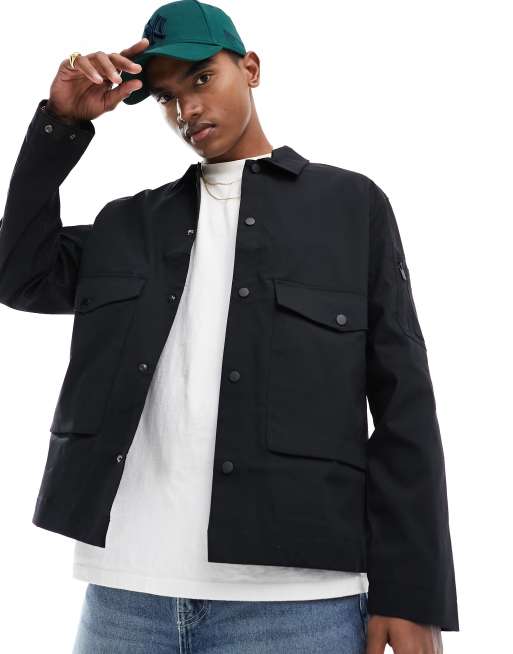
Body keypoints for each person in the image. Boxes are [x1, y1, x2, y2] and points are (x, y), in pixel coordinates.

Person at [0, 1, 458, 652]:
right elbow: (19, 275)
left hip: (295, 607)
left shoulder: (349, 207)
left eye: (201, 78)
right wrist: (61, 125)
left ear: (251, 68)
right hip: (125, 601)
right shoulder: (128, 225)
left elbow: (403, 405)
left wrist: (411, 594)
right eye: (166, 96)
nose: (186, 107)